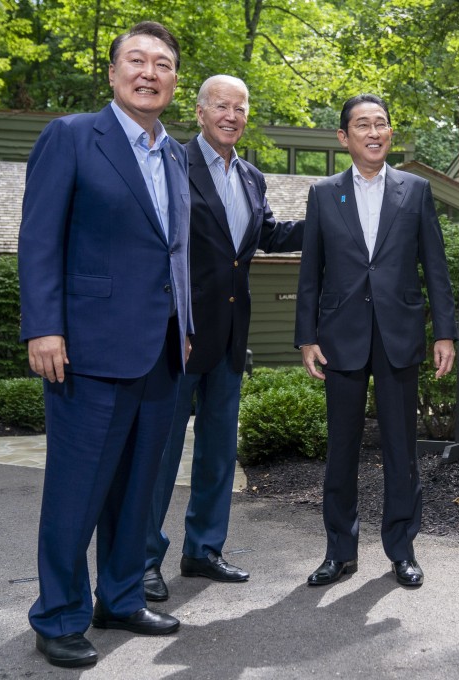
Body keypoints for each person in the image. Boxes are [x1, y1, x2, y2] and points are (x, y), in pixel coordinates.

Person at [17, 21, 192, 669]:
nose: (150, 72)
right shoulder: (70, 137)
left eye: (163, 64)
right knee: (78, 490)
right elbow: (39, 237)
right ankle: (58, 615)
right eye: (137, 60)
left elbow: (174, 254)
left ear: (174, 81)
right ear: (113, 73)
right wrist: (43, 325)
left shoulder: (174, 155)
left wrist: (189, 326)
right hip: (85, 349)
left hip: (161, 351)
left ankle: (119, 596)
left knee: (138, 486)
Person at [143, 75, 303, 601]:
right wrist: (173, 324)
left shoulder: (253, 178)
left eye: (240, 107)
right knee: (160, 455)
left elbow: (267, 236)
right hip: (180, 339)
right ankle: (142, 558)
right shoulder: (173, 164)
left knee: (217, 453)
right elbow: (158, 249)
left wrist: (329, 212)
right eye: (221, 106)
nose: (231, 115)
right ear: (200, 111)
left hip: (232, 341)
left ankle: (203, 550)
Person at [294, 93, 457, 588]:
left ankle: (402, 549)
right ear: (344, 137)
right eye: (362, 125)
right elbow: (310, 272)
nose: (373, 132)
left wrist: (444, 332)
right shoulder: (324, 193)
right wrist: (306, 337)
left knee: (400, 451)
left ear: (390, 133)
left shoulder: (416, 190)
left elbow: (435, 266)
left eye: (381, 124)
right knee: (340, 450)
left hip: (398, 337)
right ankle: (339, 552)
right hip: (339, 339)